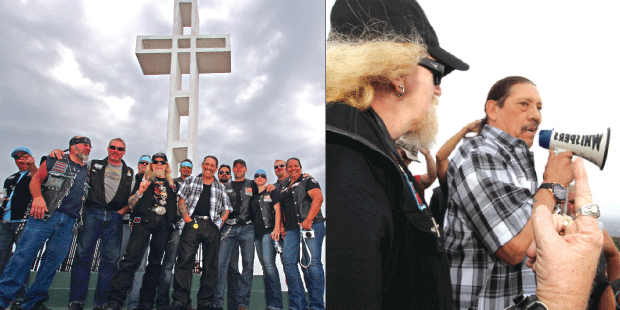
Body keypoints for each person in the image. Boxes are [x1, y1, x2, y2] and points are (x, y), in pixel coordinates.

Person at [326, 0, 468, 308]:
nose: (439, 90)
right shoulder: (348, 164)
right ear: (398, 74)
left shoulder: (373, 152)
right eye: (437, 73)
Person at [443, 76, 574, 309]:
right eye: (524, 104)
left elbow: (532, 229)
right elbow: (513, 247)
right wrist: (553, 185)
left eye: (539, 107)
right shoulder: (479, 156)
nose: (536, 115)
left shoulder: (513, 159)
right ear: (493, 109)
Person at [0, 136, 91, 310]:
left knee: (52, 262)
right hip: (45, 215)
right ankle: (3, 298)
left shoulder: (87, 169)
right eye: (84, 145)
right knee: (23, 256)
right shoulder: (54, 159)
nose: (88, 148)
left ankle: (34, 302)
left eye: (89, 146)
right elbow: (36, 180)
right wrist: (37, 198)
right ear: (72, 147)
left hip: (69, 220)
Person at [522, 158, 603, 310]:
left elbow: (609, 268)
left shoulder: (594, 231)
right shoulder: (563, 227)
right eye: (569, 202)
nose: (572, 206)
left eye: (574, 201)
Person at [105, 153, 180, 310]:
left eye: (162, 162)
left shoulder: (173, 185)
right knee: (130, 260)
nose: (159, 164)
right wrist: (140, 191)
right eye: (156, 162)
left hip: (163, 226)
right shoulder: (141, 179)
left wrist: (173, 221)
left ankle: (146, 302)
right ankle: (115, 301)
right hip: (143, 222)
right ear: (152, 165)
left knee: (154, 264)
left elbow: (178, 207)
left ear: (166, 165)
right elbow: (130, 204)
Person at [66, 138, 134, 310]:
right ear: (108, 148)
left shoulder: (129, 173)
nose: (116, 151)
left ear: (124, 152)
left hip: (114, 217)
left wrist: (122, 210)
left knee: (110, 260)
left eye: (120, 148)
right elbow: (74, 163)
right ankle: (77, 300)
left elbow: (133, 197)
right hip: (93, 213)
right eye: (113, 147)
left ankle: (102, 302)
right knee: (83, 256)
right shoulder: (93, 165)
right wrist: (59, 152)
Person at [164, 155, 232, 310]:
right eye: (206, 164)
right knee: (184, 261)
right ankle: (180, 301)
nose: (209, 167)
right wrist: (187, 219)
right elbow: (181, 199)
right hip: (192, 223)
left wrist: (219, 224)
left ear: (216, 168)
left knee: (211, 265)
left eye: (212, 165)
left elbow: (226, 208)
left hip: (212, 225)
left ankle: (205, 302)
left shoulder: (220, 187)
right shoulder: (191, 181)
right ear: (202, 165)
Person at [564, 184, 620, 310]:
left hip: (597, 298)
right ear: (562, 203)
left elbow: (613, 255)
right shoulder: (555, 228)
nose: (576, 207)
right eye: (572, 202)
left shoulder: (597, 227)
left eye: (580, 203)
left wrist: (611, 288)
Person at [280, 158, 324, 310]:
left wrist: (308, 220)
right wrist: (282, 226)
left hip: (311, 226)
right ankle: (297, 305)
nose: (292, 168)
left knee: (312, 265)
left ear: (300, 167)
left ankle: (317, 306)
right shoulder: (285, 186)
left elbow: (318, 197)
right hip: (292, 230)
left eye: (295, 166)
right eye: (289, 166)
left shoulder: (308, 179)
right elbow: (283, 208)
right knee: (289, 263)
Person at [0, 147, 38, 309]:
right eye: (17, 158)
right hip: (5, 222)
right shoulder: (10, 178)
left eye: (23, 156)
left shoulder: (35, 175)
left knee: (21, 259)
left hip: (24, 221)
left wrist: (33, 166)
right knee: (2, 258)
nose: (20, 160)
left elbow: (40, 180)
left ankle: (20, 296)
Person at [157, 159, 192, 308]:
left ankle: (184, 301)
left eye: (189, 167)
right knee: (168, 264)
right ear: (180, 168)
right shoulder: (171, 182)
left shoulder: (195, 184)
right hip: (174, 228)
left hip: (190, 229)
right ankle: (162, 301)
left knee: (186, 266)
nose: (186, 169)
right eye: (183, 167)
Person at [249, 169, 283, 310]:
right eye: (257, 175)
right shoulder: (253, 196)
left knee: (269, 266)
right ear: (255, 179)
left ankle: (276, 304)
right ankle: (270, 303)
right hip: (256, 236)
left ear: (266, 179)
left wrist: (276, 228)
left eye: (263, 176)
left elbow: (278, 210)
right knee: (265, 268)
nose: (260, 177)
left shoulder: (272, 192)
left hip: (269, 233)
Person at [123, 155, 151, 310]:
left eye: (148, 163)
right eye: (142, 162)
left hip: (142, 228)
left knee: (140, 266)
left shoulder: (153, 184)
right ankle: (116, 300)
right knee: (120, 261)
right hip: (125, 224)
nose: (144, 165)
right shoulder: (130, 180)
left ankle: (133, 303)